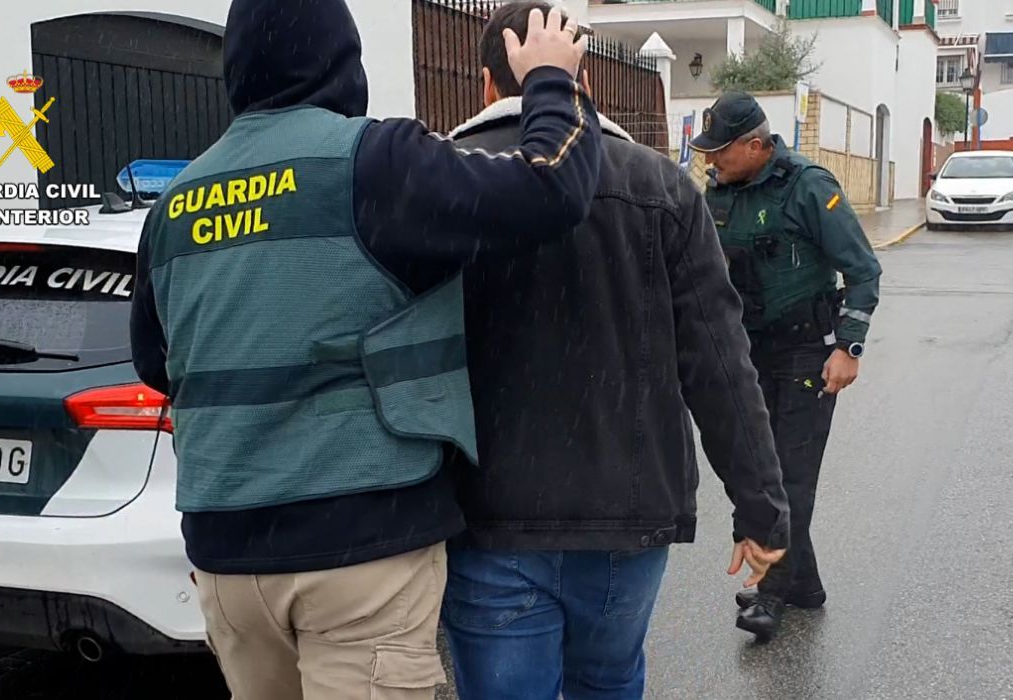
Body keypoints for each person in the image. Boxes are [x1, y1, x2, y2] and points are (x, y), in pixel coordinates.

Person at [128, 1, 601, 697]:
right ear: (340, 59)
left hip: (225, 556)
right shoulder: (374, 163)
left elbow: (154, 361)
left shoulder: (175, 203)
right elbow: (553, 186)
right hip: (360, 552)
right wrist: (552, 81)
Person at [439, 4, 791, 698]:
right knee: (606, 683)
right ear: (583, 81)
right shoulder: (662, 188)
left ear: (485, 87)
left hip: (487, 517)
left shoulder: (444, 180)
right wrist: (761, 508)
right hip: (626, 520)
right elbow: (720, 361)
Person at [689, 91, 882, 642]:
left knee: (789, 477)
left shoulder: (809, 187)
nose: (711, 161)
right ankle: (805, 586)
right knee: (759, 469)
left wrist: (849, 347)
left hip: (807, 354)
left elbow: (864, 271)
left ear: (756, 145)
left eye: (721, 151)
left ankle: (770, 593)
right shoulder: (719, 192)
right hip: (749, 353)